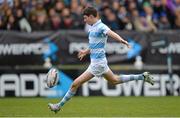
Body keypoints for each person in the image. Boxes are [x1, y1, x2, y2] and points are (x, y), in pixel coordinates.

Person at [48, 6, 154, 113]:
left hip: (97, 64)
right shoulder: (93, 27)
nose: (84, 20)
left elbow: (111, 33)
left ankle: (58, 106)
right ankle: (142, 76)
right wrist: (86, 51)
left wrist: (122, 40)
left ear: (91, 16)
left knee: (75, 84)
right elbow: (95, 45)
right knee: (115, 80)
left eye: (85, 18)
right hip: (99, 62)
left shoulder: (101, 26)